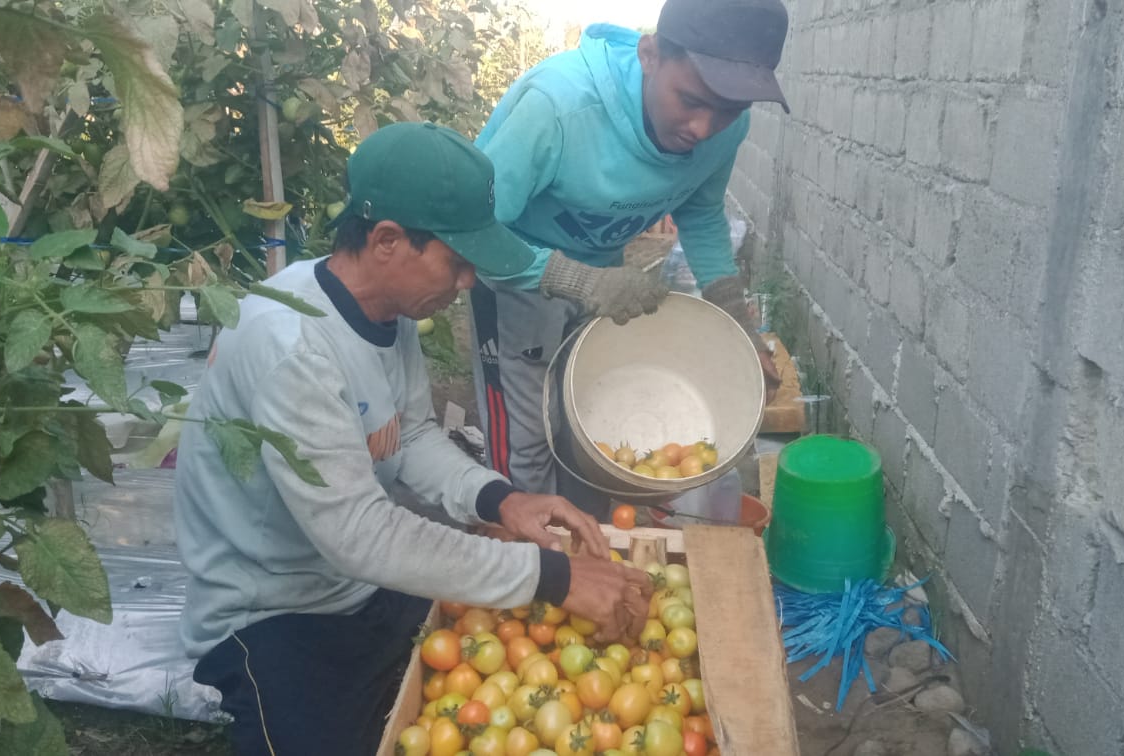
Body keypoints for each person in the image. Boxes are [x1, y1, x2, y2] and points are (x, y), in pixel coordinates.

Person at [173, 122, 654, 755]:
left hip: (355, 587)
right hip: (268, 612)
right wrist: (554, 575)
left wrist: (500, 499)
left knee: (462, 677)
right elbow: (361, 532)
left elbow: (412, 434)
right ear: (387, 242)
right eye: (456, 263)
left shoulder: (387, 312)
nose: (466, 284)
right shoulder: (289, 348)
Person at [468, 0, 791, 518]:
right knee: (526, 438)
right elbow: (474, 230)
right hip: (515, 275)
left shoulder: (724, 127)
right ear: (649, 55)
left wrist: (738, 324)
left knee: (587, 420)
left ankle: (589, 544)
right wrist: (576, 279)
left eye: (729, 110)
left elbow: (703, 214)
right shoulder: (558, 106)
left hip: (602, 277)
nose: (704, 128)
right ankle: (525, 561)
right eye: (689, 100)